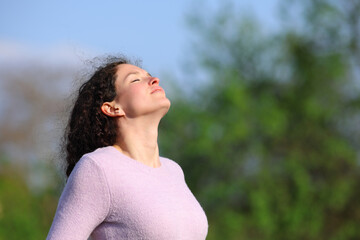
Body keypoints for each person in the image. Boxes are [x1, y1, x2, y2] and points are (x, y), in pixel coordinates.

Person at [46, 56, 208, 240]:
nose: (154, 80)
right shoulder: (99, 168)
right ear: (112, 108)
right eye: (136, 79)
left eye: (149, 75)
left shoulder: (174, 170)